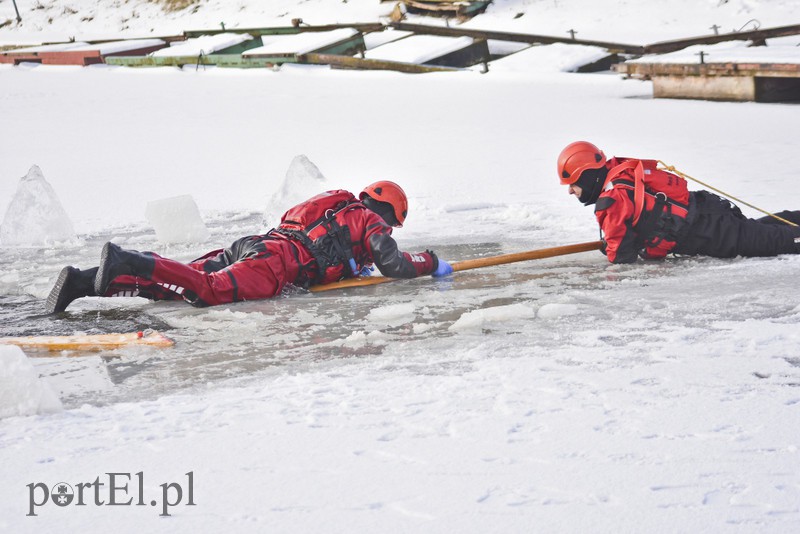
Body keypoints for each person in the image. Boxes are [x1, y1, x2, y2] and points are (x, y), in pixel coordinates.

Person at [46, 181, 454, 313]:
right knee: (206, 293)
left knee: (182, 284)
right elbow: (394, 264)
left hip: (257, 245)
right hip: (274, 264)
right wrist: (430, 263)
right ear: (389, 213)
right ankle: (128, 260)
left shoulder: (334, 205)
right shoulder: (369, 220)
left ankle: (83, 283)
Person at [557, 141, 800, 264]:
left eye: (573, 183)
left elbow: (621, 255)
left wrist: (611, 246)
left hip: (709, 233)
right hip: (707, 211)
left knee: (773, 240)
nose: (570, 191)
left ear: (588, 176)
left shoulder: (611, 200)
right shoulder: (618, 172)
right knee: (761, 230)